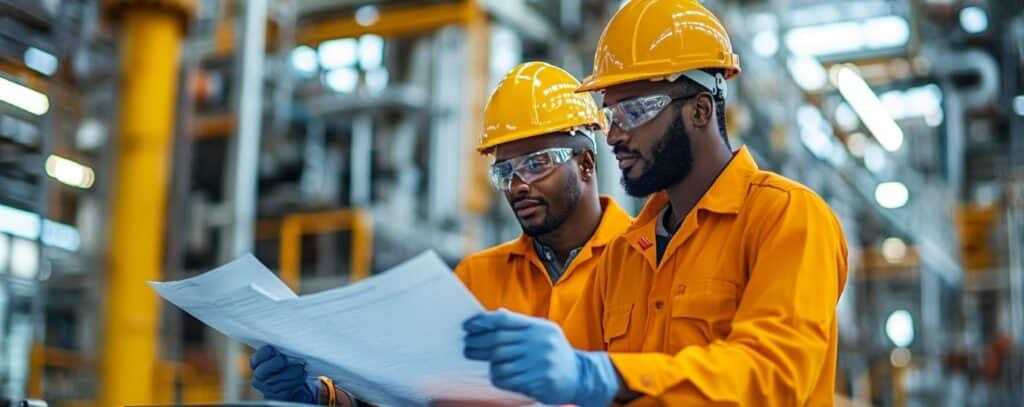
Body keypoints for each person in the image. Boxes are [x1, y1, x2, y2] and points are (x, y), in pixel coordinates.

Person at [462, 1, 849, 406]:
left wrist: (604, 375)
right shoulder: (622, 258)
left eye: (634, 110)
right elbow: (564, 383)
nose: (614, 136)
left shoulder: (787, 218)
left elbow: (772, 375)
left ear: (700, 110)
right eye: (611, 116)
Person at [249, 61, 632, 406]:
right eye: (505, 171)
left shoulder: (644, 262)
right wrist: (327, 396)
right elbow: (413, 391)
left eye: (536, 164)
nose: (518, 185)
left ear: (584, 163)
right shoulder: (476, 278)